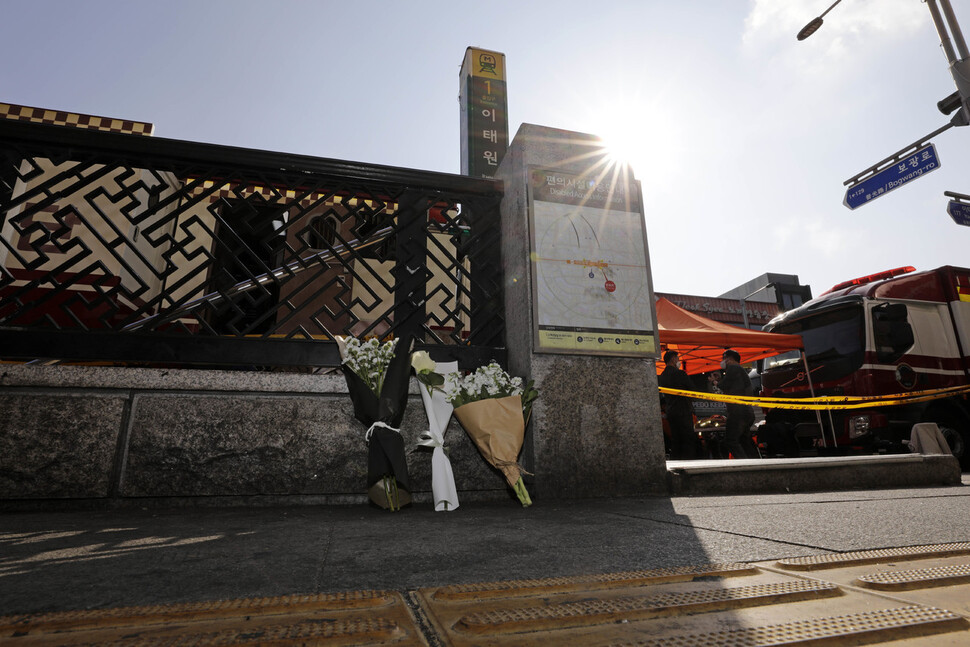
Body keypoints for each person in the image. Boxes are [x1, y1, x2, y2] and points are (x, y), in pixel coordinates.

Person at [658, 350, 697, 460]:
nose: (678, 360)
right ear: (673, 359)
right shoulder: (680, 373)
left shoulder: (662, 376)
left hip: (671, 411)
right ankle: (689, 462)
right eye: (677, 358)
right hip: (683, 410)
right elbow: (692, 390)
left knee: (676, 439)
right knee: (688, 439)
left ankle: (676, 461)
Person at [718, 349, 755, 459]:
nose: (723, 361)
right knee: (744, 440)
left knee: (731, 440)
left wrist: (716, 383)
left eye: (724, 358)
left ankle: (744, 464)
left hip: (737, 412)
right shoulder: (739, 370)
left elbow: (725, 385)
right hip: (745, 411)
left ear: (729, 359)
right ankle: (754, 462)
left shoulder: (733, 368)